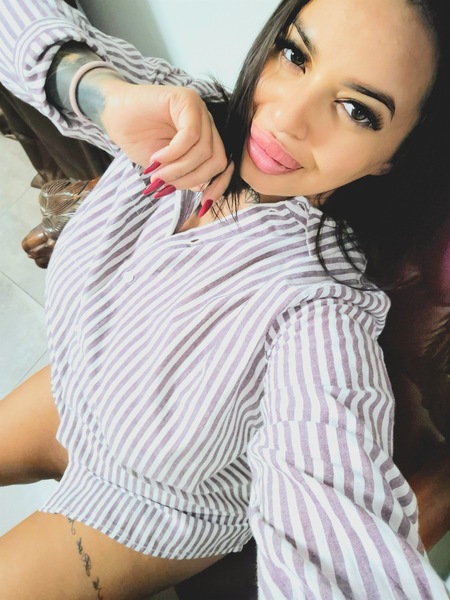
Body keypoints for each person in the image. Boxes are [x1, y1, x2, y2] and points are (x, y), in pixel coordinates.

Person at [0, 0, 448, 598]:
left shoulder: (321, 311)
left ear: (394, 155)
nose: (286, 117)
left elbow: (335, 537)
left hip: (155, 505)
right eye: (295, 55)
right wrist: (100, 93)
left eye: (356, 110)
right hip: (74, 391)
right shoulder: (182, 109)